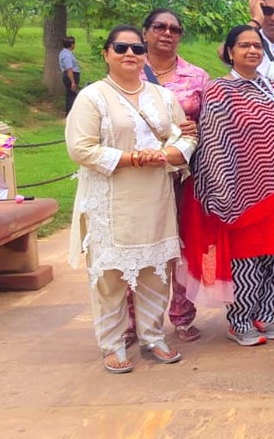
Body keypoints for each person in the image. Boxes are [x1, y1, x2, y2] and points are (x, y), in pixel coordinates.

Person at [65, 25, 196, 373]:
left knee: (156, 271)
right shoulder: (92, 97)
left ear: (144, 55)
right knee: (109, 277)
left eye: (137, 49)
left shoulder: (161, 96)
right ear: (107, 53)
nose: (129, 55)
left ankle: (153, 337)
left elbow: (185, 137)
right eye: (120, 48)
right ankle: (112, 343)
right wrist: (132, 158)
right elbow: (81, 148)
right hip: (110, 199)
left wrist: (168, 153)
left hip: (154, 197)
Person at [178, 25, 274, 347]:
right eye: (244, 45)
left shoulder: (272, 87)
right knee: (245, 259)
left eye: (257, 46)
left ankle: (266, 314)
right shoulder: (219, 91)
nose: (252, 51)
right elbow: (215, 144)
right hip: (241, 191)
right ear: (230, 52)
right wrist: (222, 191)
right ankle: (240, 320)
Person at [126, 8, 209, 344]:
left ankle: (182, 315)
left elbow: (212, 125)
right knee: (137, 245)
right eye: (159, 27)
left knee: (181, 244)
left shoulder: (197, 77)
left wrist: (197, 128)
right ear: (145, 33)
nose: (167, 33)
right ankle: (133, 322)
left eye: (175, 29)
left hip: (182, 175)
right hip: (138, 173)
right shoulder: (130, 72)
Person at [59, 36, 81, 114]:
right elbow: (69, 69)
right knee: (71, 95)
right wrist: (73, 82)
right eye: (74, 43)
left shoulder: (66, 53)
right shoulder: (67, 55)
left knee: (71, 94)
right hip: (71, 76)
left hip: (71, 75)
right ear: (71, 44)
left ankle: (70, 112)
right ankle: (70, 113)